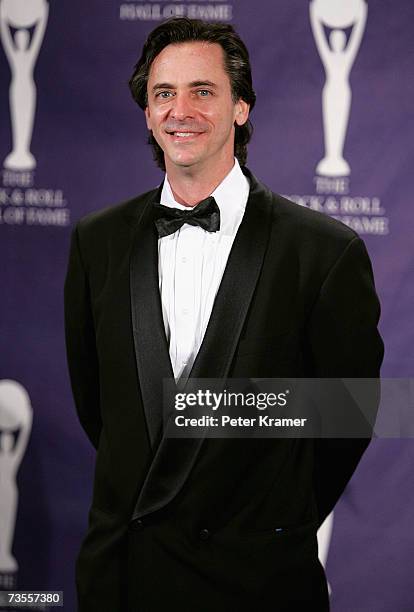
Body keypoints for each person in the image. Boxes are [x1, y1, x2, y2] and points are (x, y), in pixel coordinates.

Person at [64, 17, 384, 612]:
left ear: (240, 107)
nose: (180, 110)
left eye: (202, 91)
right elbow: (104, 412)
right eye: (164, 94)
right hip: (124, 578)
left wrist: (271, 523)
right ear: (147, 113)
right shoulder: (96, 241)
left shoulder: (324, 252)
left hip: (257, 581)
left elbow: (346, 415)